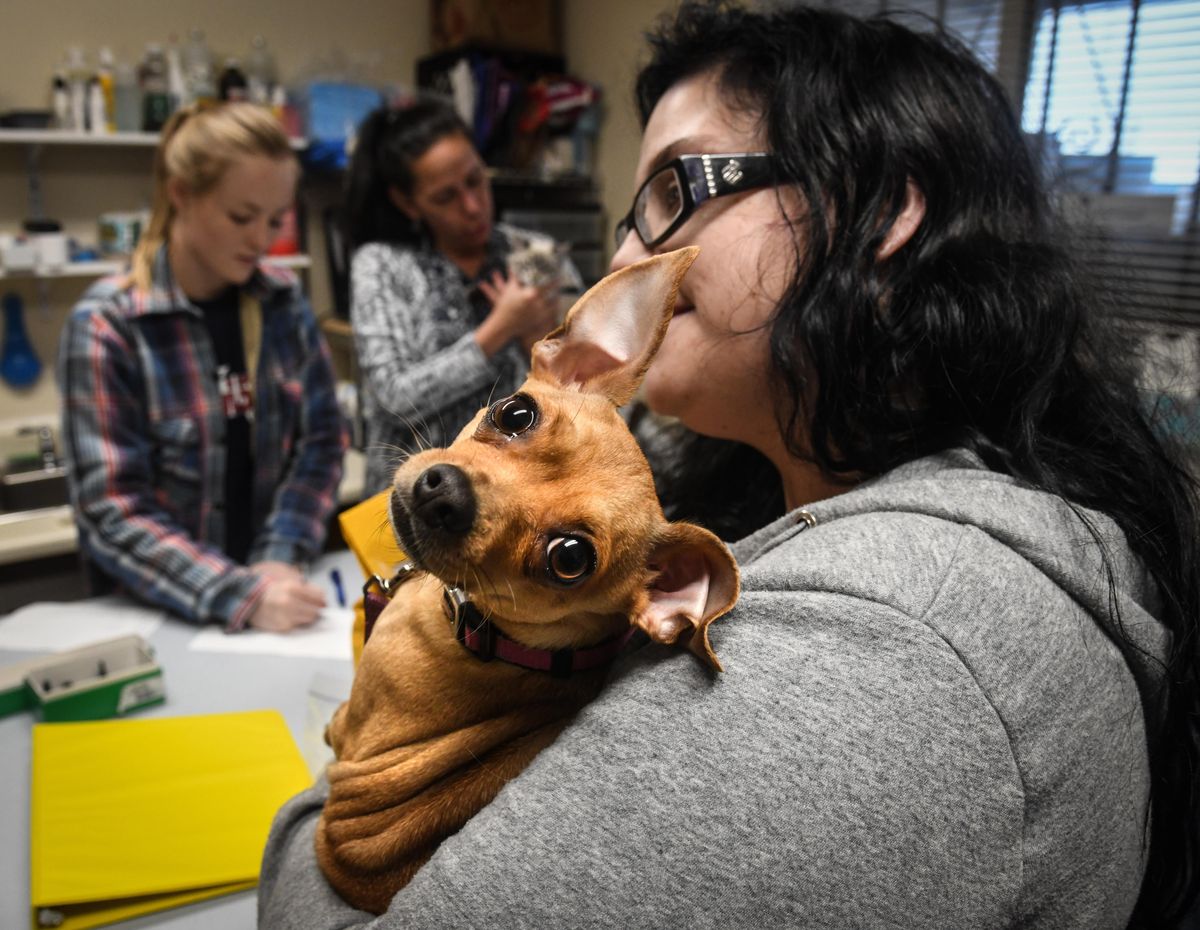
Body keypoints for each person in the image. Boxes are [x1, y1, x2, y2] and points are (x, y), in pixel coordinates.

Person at [258, 3, 1200, 927]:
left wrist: (332, 779)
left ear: (881, 213)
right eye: (631, 217)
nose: (627, 254)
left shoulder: (879, 666)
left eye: (675, 190)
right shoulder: (824, 513)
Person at [59, 102, 348, 632]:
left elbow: (322, 442)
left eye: (274, 219)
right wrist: (242, 595)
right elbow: (111, 510)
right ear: (181, 195)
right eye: (241, 217)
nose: (261, 240)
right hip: (161, 616)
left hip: (278, 596)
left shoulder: (282, 301)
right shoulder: (109, 326)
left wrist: (278, 557)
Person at [344, 98, 582, 495]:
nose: (472, 207)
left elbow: (587, 394)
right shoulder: (382, 265)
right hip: (416, 498)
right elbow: (394, 398)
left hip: (520, 493)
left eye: (475, 181)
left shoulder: (538, 255)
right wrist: (499, 329)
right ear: (407, 202)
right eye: (445, 197)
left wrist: (537, 344)